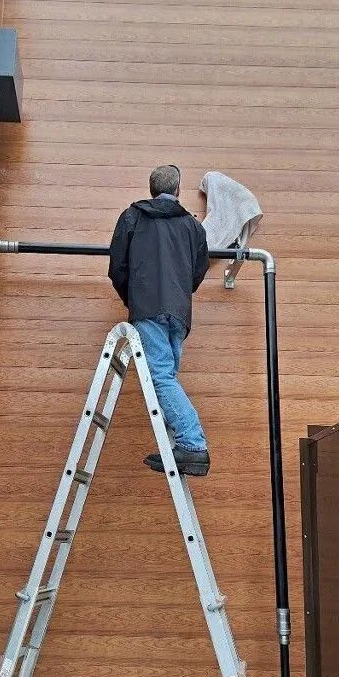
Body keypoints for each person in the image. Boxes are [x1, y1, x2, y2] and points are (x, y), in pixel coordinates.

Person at [108, 164, 211, 476]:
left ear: (151, 189)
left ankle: (192, 445)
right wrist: (180, 294)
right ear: (177, 190)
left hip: (148, 306)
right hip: (178, 312)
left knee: (161, 378)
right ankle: (181, 444)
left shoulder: (132, 217)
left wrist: (134, 298)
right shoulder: (194, 227)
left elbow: (117, 267)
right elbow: (198, 270)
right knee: (167, 377)